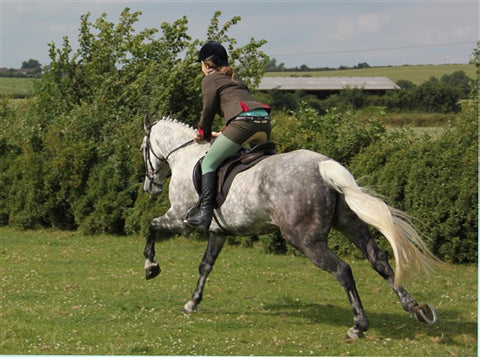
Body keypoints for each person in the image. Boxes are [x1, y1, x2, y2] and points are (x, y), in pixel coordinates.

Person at [183, 40, 272, 232]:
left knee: (208, 163)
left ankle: (205, 216)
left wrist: (203, 132)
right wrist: (222, 134)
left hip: (243, 124)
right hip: (263, 122)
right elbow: (239, 109)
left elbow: (208, 111)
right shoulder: (236, 78)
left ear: (206, 65)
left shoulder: (209, 79)